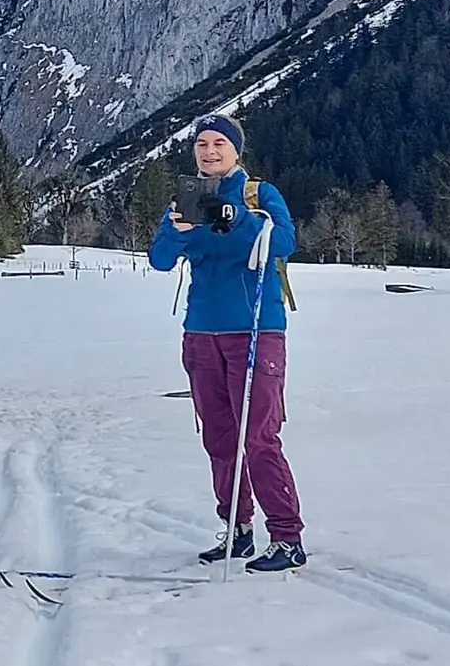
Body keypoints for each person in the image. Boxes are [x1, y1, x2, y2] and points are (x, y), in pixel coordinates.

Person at [148, 114, 306, 573]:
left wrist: (237, 219)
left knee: (257, 436)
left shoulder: (260, 195)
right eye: (202, 143)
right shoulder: (185, 201)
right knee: (219, 437)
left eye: (220, 143)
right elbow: (159, 261)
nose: (210, 150)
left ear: (237, 151)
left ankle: (286, 536)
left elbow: (284, 243)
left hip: (255, 329)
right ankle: (237, 529)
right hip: (201, 333)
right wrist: (176, 233)